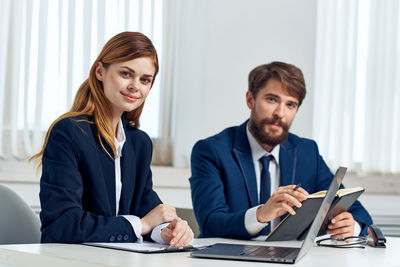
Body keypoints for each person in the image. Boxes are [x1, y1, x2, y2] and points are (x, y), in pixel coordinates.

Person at [31, 32, 193, 246]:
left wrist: (167, 229)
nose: (136, 86)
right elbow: (64, 225)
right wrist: (141, 225)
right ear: (100, 71)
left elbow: (147, 208)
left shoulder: (139, 143)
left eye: (145, 80)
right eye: (126, 74)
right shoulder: (68, 132)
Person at [189, 61, 372, 239]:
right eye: (271, 99)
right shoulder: (211, 151)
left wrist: (352, 225)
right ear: (250, 99)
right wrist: (261, 214)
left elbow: (358, 212)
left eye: (290, 104)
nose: (280, 113)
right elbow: (210, 223)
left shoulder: (307, 152)